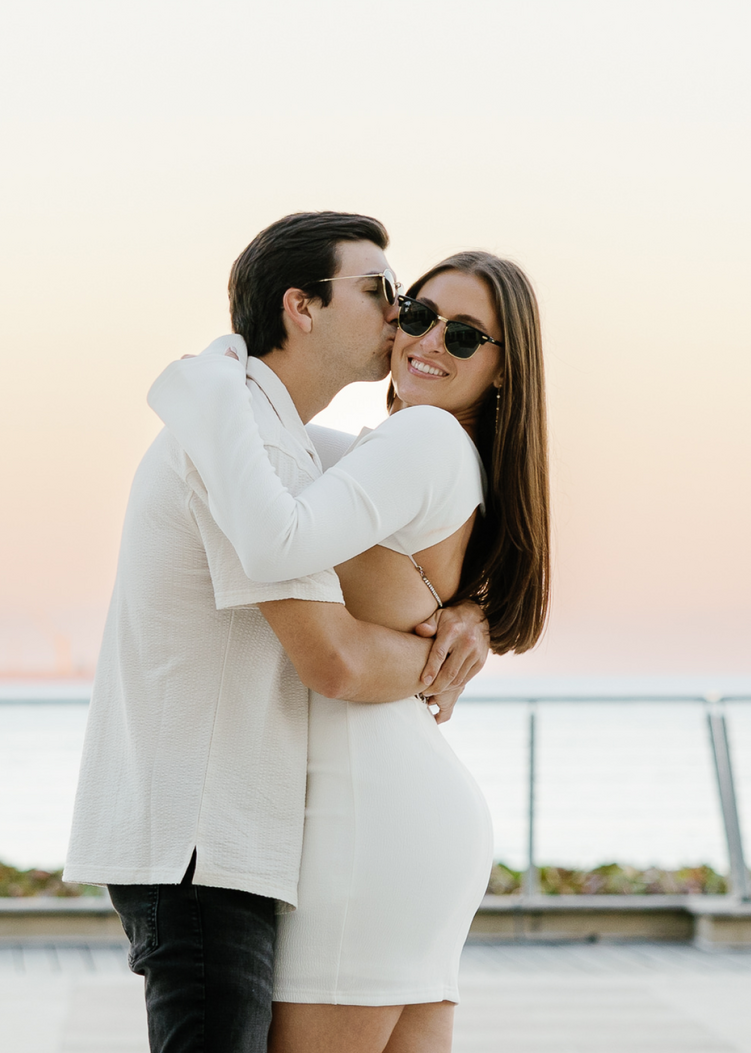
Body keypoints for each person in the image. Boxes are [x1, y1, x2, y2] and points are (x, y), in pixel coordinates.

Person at [63, 212, 491, 1053]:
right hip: (200, 844)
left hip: (221, 842)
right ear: (302, 307)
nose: (401, 319)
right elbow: (332, 657)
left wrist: (472, 620)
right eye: (382, 294)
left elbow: (404, 534)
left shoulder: (277, 445)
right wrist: (437, 660)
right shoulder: (244, 445)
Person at [149, 248, 550, 1053]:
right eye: (417, 314)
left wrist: (203, 385)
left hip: (365, 819)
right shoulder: (396, 449)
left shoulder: (428, 439)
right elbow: (286, 431)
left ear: (505, 371)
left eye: (466, 336)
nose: (429, 341)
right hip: (411, 818)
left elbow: (277, 532)